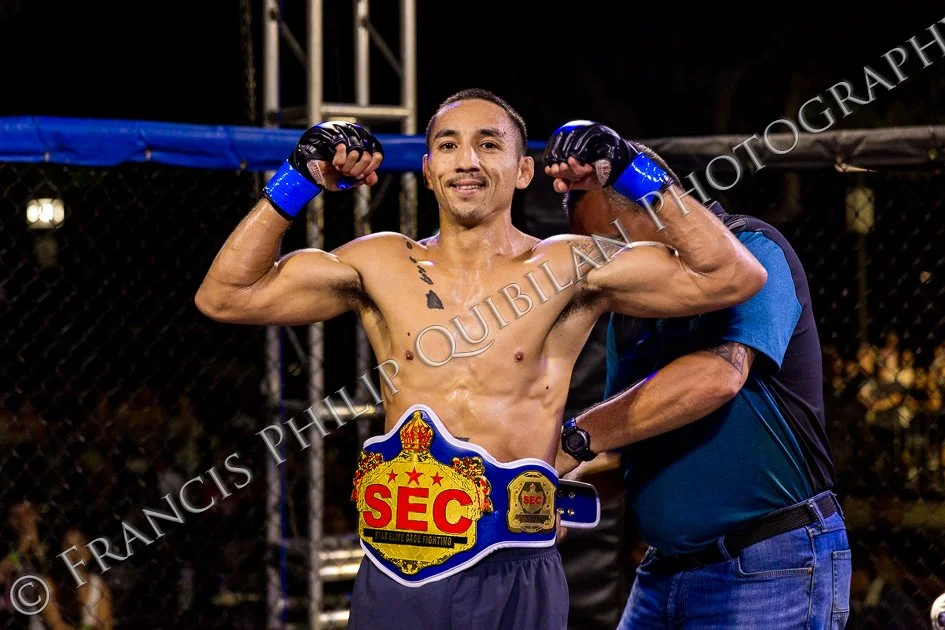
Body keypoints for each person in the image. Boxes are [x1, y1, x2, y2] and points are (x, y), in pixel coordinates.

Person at [195, 88, 767, 628]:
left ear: (524, 172)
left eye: (489, 144)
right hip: (397, 567)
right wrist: (299, 178)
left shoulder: (568, 265)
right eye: (448, 145)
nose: (467, 160)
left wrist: (630, 169)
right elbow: (225, 296)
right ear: (428, 171)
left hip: (513, 565)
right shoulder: (380, 261)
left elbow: (731, 276)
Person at [553, 156, 852, 628]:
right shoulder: (629, 308)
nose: (603, 262)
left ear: (651, 211)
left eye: (609, 242)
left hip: (768, 563)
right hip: (662, 571)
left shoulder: (752, 248)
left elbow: (719, 376)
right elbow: (618, 448)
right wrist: (543, 493)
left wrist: (573, 439)